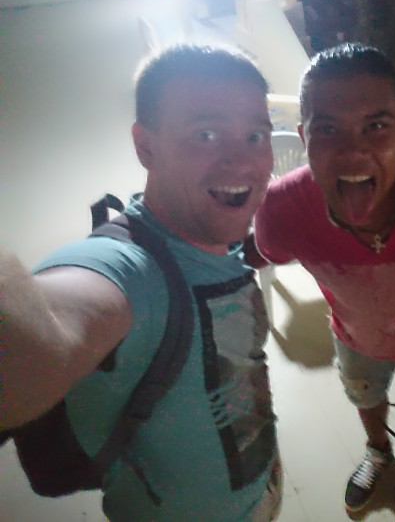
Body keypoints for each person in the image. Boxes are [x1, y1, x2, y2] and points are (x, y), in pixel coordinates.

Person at [0, 44, 282, 522]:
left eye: (256, 135)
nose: (243, 161)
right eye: (206, 134)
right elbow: (48, 330)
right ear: (146, 147)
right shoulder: (127, 269)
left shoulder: (219, 232)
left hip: (264, 489)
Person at [250, 43, 395, 522]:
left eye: (376, 126)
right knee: (366, 397)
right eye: (327, 129)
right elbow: (253, 258)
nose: (354, 151)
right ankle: (378, 452)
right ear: (304, 138)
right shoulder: (281, 208)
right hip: (355, 339)